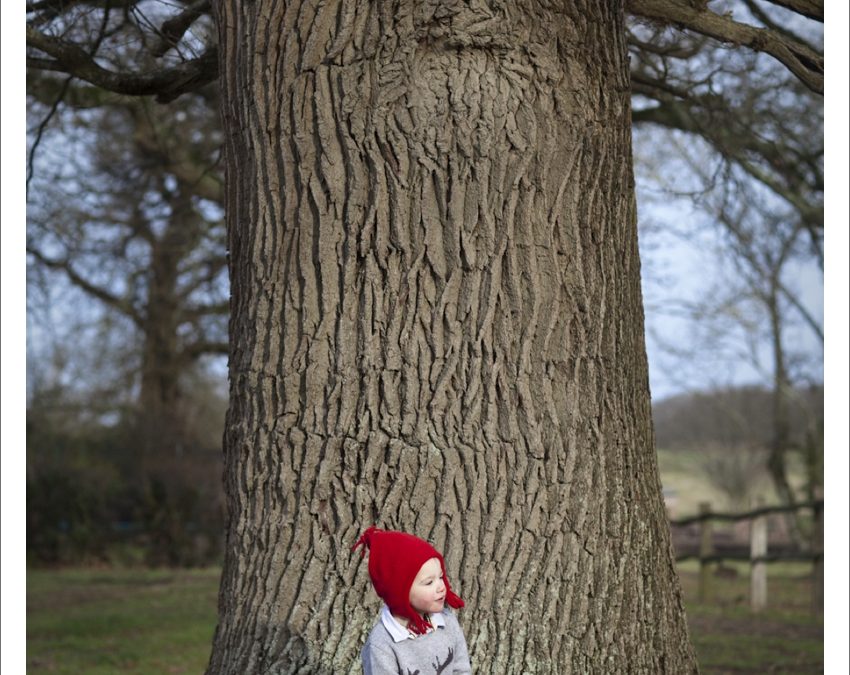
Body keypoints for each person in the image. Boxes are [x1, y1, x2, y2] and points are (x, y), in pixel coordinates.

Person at [352, 526, 472, 674]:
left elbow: (462, 670)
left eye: (440, 577)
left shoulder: (447, 621)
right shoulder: (381, 644)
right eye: (429, 582)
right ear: (400, 592)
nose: (441, 586)